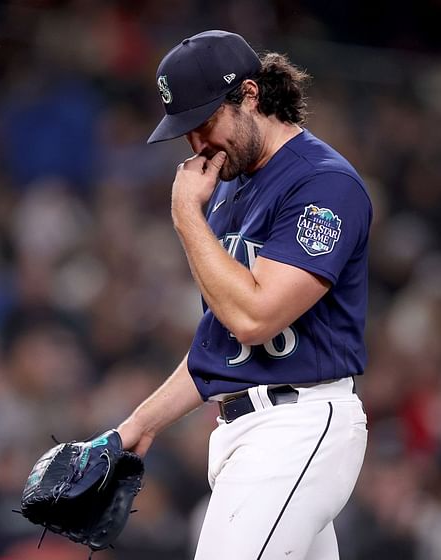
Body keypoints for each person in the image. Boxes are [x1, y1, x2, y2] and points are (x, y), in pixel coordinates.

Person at [116, 30, 371, 560]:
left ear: (250, 95)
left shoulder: (323, 184)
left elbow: (256, 319)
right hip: (246, 431)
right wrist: (139, 426)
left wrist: (186, 216)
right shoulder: (228, 188)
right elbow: (223, 343)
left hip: (296, 426)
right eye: (184, 131)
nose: (196, 145)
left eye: (204, 121)